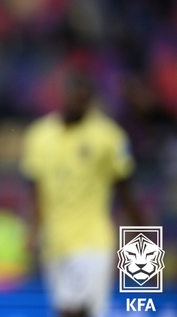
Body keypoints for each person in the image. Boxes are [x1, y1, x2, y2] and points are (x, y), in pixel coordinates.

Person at [20, 71, 145, 317]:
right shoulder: (39, 135)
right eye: (73, 98)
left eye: (83, 100)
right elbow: (36, 190)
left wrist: (143, 241)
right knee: (66, 309)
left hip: (92, 240)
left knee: (79, 310)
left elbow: (126, 192)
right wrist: (33, 230)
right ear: (63, 96)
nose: (77, 104)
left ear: (90, 101)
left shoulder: (108, 137)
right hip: (54, 243)